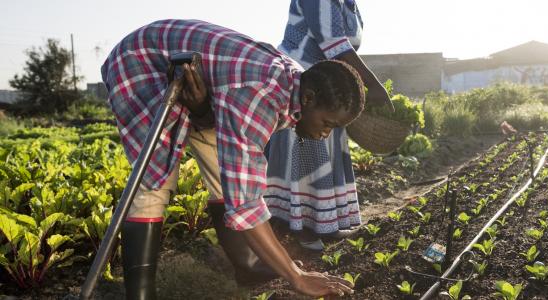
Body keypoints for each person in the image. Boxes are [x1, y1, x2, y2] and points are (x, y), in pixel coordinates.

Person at [101, 19, 358, 299]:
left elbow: (237, 177)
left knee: (223, 169)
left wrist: (201, 111)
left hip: (199, 81)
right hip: (140, 63)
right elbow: (246, 202)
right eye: (328, 124)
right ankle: (140, 294)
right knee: (153, 180)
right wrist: (296, 276)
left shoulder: (297, 82)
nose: (325, 134)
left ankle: (248, 266)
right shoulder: (260, 95)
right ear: (308, 99)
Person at [264, 0, 391, 251]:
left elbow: (346, 49)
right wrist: (373, 85)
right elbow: (335, 44)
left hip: (331, 88)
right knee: (307, 151)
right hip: (304, 84)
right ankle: (301, 228)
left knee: (324, 152)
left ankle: (323, 223)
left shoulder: (349, 5)